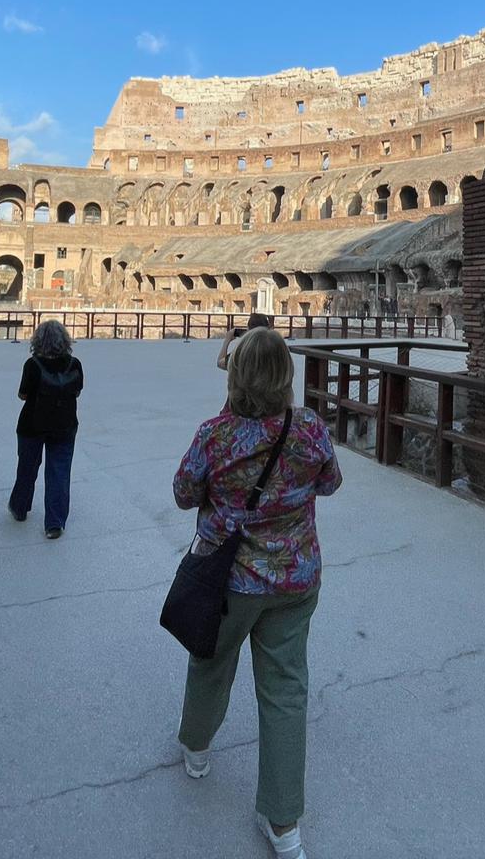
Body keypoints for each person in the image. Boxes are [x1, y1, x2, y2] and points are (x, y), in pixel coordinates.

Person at [173, 327, 341, 859]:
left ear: (236, 375)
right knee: (287, 691)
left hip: (228, 580)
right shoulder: (310, 428)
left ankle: (197, 749)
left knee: (211, 661)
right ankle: (284, 822)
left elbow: (182, 493)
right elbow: (330, 483)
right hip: (294, 579)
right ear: (286, 376)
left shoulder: (215, 435)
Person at [10, 320, 84, 538]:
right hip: (65, 425)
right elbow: (77, 391)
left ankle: (19, 508)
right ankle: (54, 523)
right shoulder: (75, 364)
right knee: (59, 473)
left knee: (27, 468)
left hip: (32, 425)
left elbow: (23, 395)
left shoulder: (32, 365)